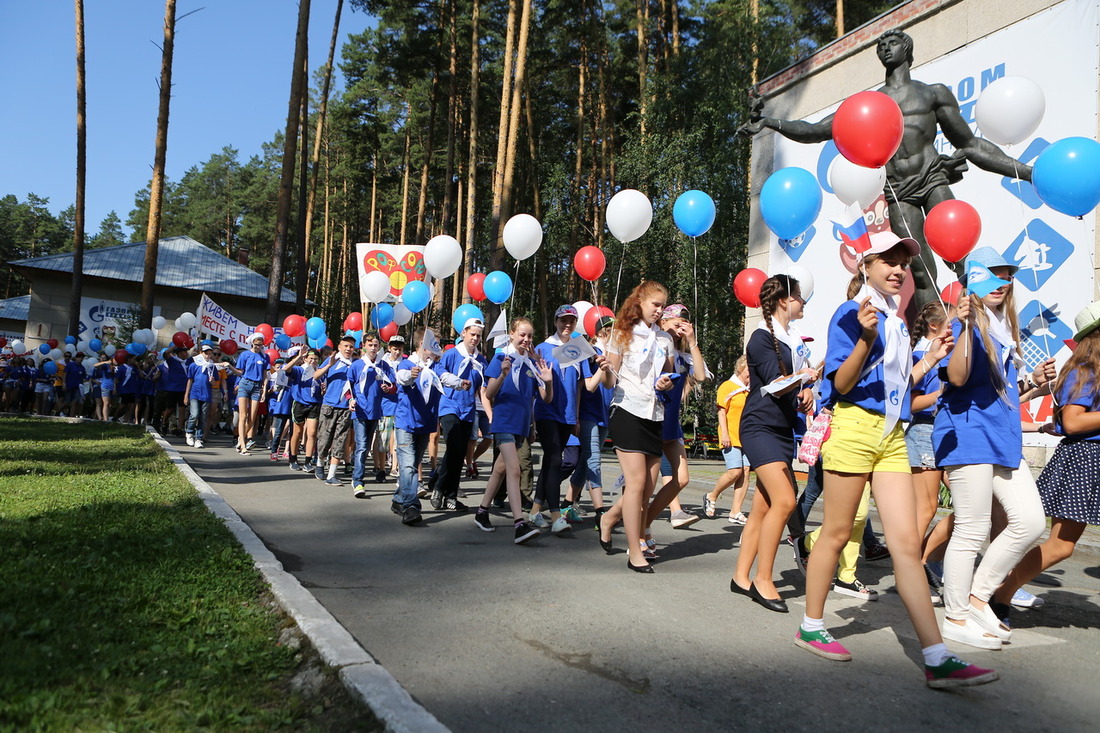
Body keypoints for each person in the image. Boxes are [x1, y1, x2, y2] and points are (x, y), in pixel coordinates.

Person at [794, 230, 997, 689]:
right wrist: (865, 338)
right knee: (838, 531)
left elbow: (899, 386)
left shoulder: (897, 321)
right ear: (864, 265)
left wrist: (931, 361)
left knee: (906, 544)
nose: (898, 267)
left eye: (903, 261)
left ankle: (936, 656)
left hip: (892, 436)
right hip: (853, 429)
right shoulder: (852, 313)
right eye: (887, 259)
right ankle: (810, 625)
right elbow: (842, 384)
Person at [740, 29, 1032, 310]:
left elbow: (971, 144)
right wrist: (771, 123)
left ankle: (983, 326)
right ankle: (933, 337)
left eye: (892, 42)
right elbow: (816, 130)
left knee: (960, 258)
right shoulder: (868, 105)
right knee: (920, 271)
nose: (884, 48)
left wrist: (1025, 172)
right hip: (899, 191)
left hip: (932, 179)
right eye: (880, 46)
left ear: (907, 49)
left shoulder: (932, 94)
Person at [935, 246, 1054, 650]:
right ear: (972, 281)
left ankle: (977, 598)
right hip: (969, 435)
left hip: (1003, 439)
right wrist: (966, 326)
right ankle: (955, 616)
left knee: (1031, 522)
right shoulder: (962, 323)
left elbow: (1000, 394)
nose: (1000, 284)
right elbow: (957, 375)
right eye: (990, 275)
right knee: (972, 529)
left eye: (1005, 275)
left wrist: (1033, 380)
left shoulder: (1005, 328)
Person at [991, 300, 1100, 624]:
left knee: (1060, 545)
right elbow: (1074, 422)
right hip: (1085, 460)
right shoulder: (1084, 372)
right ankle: (999, 596)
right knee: (1061, 546)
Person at [730, 275, 815, 611]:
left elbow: (792, 388)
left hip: (781, 430)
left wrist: (806, 391)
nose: (804, 302)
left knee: (763, 508)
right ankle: (764, 581)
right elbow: (775, 385)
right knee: (785, 500)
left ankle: (740, 577)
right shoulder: (762, 337)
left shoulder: (793, 338)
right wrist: (805, 377)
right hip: (759, 427)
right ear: (784, 300)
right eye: (800, 297)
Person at [598, 281, 675, 573]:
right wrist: (605, 369)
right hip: (627, 408)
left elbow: (670, 379)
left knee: (646, 488)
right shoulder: (620, 334)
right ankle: (635, 550)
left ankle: (609, 518)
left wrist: (667, 382)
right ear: (639, 301)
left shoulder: (665, 339)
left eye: (662, 306)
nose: (659, 310)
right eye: (655, 304)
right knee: (637, 483)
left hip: (654, 413)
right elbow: (610, 381)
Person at [474, 317, 555, 543]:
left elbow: (544, 399)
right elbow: (488, 394)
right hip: (503, 422)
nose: (526, 340)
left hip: (521, 426)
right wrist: (502, 374)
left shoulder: (531, 364)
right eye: (522, 335)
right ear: (511, 334)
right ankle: (519, 523)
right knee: (514, 468)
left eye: (530, 336)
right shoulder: (501, 358)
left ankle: (481, 512)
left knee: (500, 470)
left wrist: (548, 381)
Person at [646, 304, 708, 538]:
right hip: (651, 420)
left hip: (671, 425)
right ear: (663, 323)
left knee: (681, 479)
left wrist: (692, 342)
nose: (680, 329)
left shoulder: (683, 356)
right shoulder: (654, 346)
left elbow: (700, 377)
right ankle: (615, 520)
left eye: (684, 325)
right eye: (676, 324)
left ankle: (645, 522)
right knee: (643, 486)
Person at [906, 300, 954, 603]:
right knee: (925, 508)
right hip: (923, 432)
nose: (955, 332)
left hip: (945, 435)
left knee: (971, 507)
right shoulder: (920, 356)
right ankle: (912, 571)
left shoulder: (944, 355)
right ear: (935, 327)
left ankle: (924, 561)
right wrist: (940, 394)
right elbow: (908, 404)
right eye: (950, 326)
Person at [530, 305, 584, 535]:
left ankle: (534, 511)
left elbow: (580, 386)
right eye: (563, 320)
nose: (567, 325)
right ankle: (555, 515)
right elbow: (534, 386)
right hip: (547, 412)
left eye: (571, 321)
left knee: (550, 464)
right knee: (554, 459)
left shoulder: (578, 349)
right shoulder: (542, 348)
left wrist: (577, 416)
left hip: (568, 415)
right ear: (555, 322)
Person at [564, 315, 616, 528]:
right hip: (587, 413)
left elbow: (611, 384)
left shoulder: (612, 354)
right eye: (613, 330)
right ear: (602, 332)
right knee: (594, 461)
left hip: (603, 414)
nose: (618, 334)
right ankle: (600, 513)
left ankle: (567, 504)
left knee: (586, 464)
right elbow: (582, 384)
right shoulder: (587, 349)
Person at [432, 319, 487, 512]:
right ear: (463, 333)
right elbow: (439, 373)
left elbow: (484, 388)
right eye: (472, 334)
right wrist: (456, 381)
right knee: (454, 447)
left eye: (479, 335)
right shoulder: (452, 354)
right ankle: (439, 488)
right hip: (449, 406)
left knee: (459, 452)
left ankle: (450, 495)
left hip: (468, 410)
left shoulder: (481, 360)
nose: (475, 338)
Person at [392, 329, 446, 525]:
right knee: (407, 465)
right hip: (406, 421)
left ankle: (398, 499)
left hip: (425, 422)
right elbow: (402, 376)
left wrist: (459, 383)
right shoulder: (407, 364)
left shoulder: (436, 367)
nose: (437, 349)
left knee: (413, 464)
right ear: (423, 345)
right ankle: (410, 506)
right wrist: (412, 375)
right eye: (434, 344)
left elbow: (446, 377)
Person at [348, 333, 395, 498]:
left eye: (376, 345)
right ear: (364, 346)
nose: (373, 348)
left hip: (375, 411)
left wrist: (388, 389)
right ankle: (358, 481)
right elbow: (348, 387)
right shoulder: (356, 365)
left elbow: (393, 384)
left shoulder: (383, 366)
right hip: (360, 411)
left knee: (367, 446)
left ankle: (358, 474)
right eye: (370, 345)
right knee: (361, 446)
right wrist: (350, 400)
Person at [704, 355, 750, 524]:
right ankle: (712, 495)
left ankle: (735, 511)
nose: (750, 374)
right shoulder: (728, 386)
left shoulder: (750, 389)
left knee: (745, 472)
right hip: (730, 435)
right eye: (748, 370)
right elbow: (721, 411)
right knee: (735, 471)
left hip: (747, 437)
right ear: (740, 368)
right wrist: (724, 434)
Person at [312, 335, 356, 486]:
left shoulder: (354, 365)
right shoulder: (334, 360)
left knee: (340, 440)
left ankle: (332, 474)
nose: (349, 349)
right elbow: (315, 375)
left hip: (345, 407)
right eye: (346, 346)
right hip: (329, 405)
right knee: (324, 439)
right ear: (339, 347)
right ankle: (319, 463)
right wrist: (329, 365)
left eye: (351, 347)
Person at [283, 347, 321, 472]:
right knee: (297, 432)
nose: (313, 361)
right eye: (311, 358)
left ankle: (308, 461)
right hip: (299, 403)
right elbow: (286, 369)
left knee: (312, 433)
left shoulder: (319, 372)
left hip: (314, 404)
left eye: (315, 359)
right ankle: (293, 458)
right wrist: (297, 357)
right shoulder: (299, 369)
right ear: (305, 359)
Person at [375, 335, 405, 481]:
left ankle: (395, 467)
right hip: (385, 407)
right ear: (389, 348)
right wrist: (385, 388)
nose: (397, 352)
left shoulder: (406, 363)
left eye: (399, 349)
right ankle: (381, 468)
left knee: (399, 440)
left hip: (401, 407)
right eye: (394, 349)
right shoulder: (382, 363)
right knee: (383, 439)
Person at [234, 333, 269, 454]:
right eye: (256, 344)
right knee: (243, 415)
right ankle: (243, 445)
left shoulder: (264, 357)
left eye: (261, 345)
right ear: (252, 343)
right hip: (245, 384)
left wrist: (264, 390)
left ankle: (241, 438)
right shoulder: (245, 354)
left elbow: (265, 375)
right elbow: (240, 372)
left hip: (257, 386)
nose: (258, 347)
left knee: (253, 417)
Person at [183, 344, 217, 449]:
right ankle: (189, 433)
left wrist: (212, 381)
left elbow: (214, 383)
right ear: (201, 353)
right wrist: (186, 395)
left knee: (203, 417)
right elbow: (190, 380)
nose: (208, 355)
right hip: (195, 393)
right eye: (206, 353)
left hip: (206, 395)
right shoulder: (194, 365)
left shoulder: (212, 366)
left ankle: (199, 438)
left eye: (210, 353)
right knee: (194, 414)